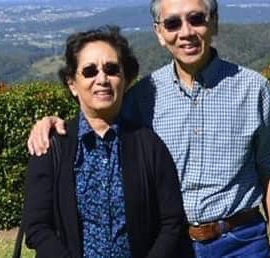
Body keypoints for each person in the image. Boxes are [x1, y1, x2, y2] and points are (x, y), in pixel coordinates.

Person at [28, 0, 270, 257]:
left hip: (240, 242)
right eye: (173, 23)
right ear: (159, 32)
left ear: (214, 23)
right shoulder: (143, 97)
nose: (186, 32)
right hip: (173, 246)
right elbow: (98, 118)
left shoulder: (253, 89)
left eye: (196, 19)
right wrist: (50, 124)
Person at [21, 25, 192, 257]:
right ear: (72, 84)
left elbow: (172, 222)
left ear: (126, 79)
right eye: (89, 71)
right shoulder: (53, 147)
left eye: (112, 70)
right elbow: (37, 227)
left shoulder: (149, 145)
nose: (102, 79)